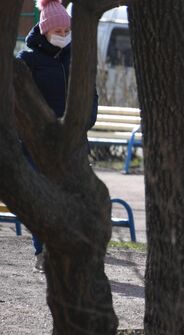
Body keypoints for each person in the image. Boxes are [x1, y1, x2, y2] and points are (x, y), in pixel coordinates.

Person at [16, 0, 98, 272]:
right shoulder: (27, 61)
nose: (64, 34)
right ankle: (45, 252)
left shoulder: (76, 58)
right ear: (45, 30)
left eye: (67, 29)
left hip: (72, 142)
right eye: (58, 30)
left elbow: (90, 95)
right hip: (37, 144)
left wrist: (84, 122)